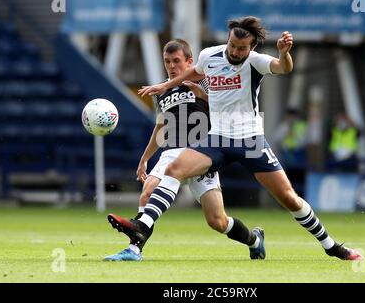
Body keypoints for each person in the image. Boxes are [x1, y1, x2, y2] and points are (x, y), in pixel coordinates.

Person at [129, 16, 362, 261]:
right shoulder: (210, 55)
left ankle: (331, 246)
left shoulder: (255, 62)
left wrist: (284, 54)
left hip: (250, 140)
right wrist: (164, 86)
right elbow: (194, 73)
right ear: (228, 40)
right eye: (232, 45)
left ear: (251, 47)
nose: (235, 51)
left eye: (241, 48)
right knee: (174, 169)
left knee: (288, 198)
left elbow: (284, 68)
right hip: (217, 138)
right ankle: (142, 227)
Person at [104, 39, 265, 261]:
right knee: (148, 191)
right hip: (172, 151)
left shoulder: (208, 82)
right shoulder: (162, 91)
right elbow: (162, 126)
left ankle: (254, 240)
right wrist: (145, 158)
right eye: (167, 61)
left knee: (217, 221)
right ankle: (134, 250)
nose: (171, 66)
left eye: (176, 61)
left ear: (190, 61)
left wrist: (204, 97)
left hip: (202, 153)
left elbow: (229, 113)